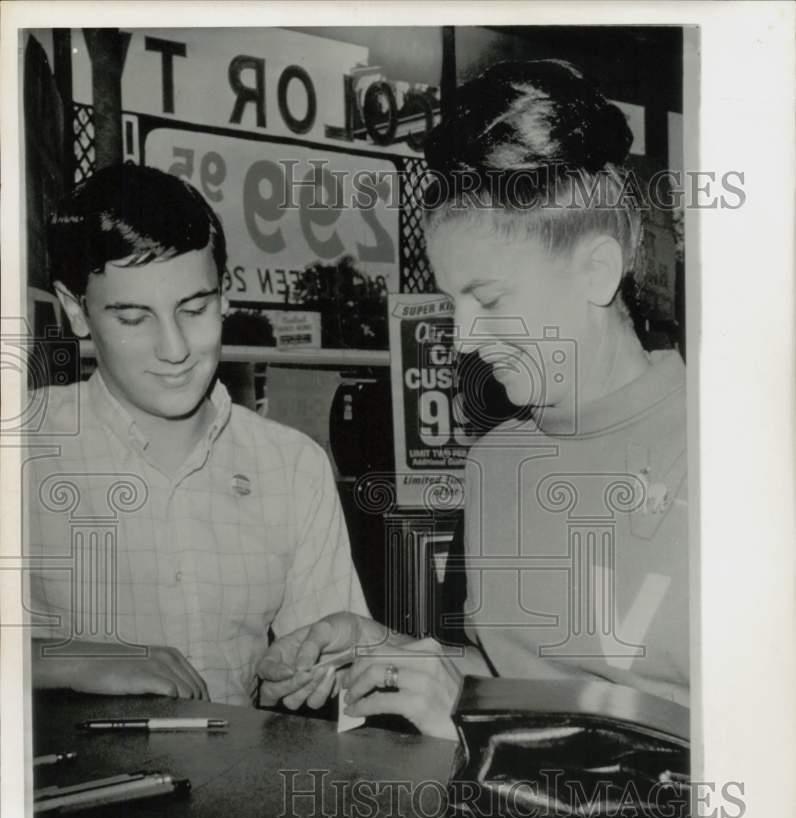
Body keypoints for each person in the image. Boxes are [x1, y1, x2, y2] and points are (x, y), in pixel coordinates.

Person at [256, 60, 689, 738]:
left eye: (489, 299)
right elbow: (518, 674)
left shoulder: (731, 451)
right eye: (452, 303)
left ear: (597, 270)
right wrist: (387, 652)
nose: (463, 339)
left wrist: (469, 713)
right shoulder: (496, 461)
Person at [27, 163, 367, 705]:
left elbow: (340, 670)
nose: (175, 348)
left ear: (224, 295)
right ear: (76, 310)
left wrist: (309, 676)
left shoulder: (292, 466)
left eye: (194, 308)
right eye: (134, 319)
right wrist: (68, 658)